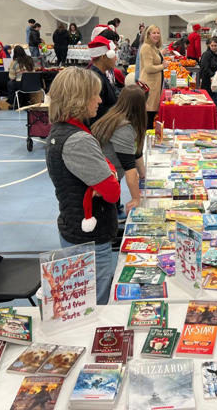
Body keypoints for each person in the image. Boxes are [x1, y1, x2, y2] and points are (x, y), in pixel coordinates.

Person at [45, 67, 120, 304]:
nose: (99, 100)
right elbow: (112, 192)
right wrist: (109, 176)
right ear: (78, 99)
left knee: (83, 300)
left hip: (73, 228)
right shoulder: (79, 140)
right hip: (90, 241)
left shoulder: (61, 131)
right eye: (94, 95)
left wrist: (107, 174)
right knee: (94, 305)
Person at [91, 86, 147, 215]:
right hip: (102, 178)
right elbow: (129, 167)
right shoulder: (124, 127)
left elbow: (136, 151)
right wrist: (136, 198)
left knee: (112, 204)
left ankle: (115, 209)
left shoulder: (117, 115)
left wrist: (143, 175)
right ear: (139, 106)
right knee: (106, 212)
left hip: (110, 174)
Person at [86, 36, 119, 124]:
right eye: (113, 55)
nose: (116, 58)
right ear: (104, 57)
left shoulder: (101, 75)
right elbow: (99, 112)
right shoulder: (96, 79)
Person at [138, 24, 165, 128]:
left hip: (154, 85)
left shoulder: (153, 47)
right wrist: (162, 66)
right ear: (148, 34)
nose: (157, 35)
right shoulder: (146, 47)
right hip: (149, 85)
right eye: (154, 33)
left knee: (151, 115)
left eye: (158, 33)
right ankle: (145, 140)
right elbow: (149, 68)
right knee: (149, 116)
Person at [199, 36, 217, 108]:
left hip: (216, 79)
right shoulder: (206, 54)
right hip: (207, 79)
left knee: (216, 96)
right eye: (212, 46)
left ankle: (215, 112)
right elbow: (204, 67)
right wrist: (212, 75)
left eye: (215, 45)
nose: (213, 47)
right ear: (209, 45)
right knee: (208, 97)